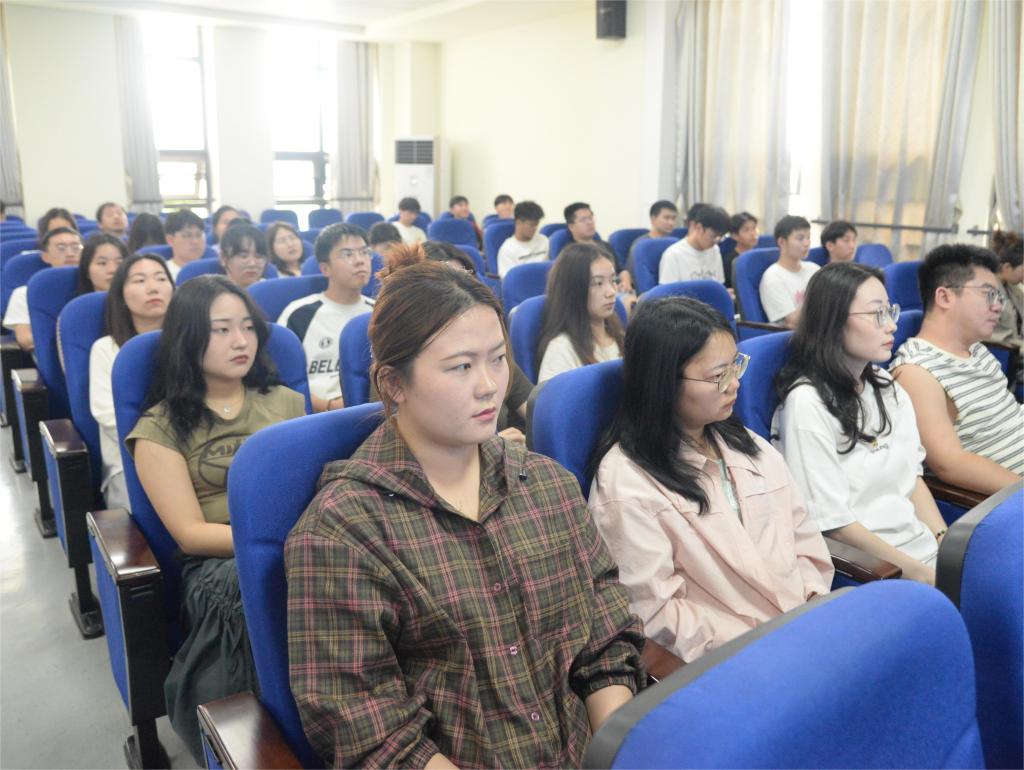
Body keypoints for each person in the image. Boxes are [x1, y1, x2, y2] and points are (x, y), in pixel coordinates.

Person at [285, 259, 645, 769]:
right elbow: (366, 724)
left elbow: (604, 637)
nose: (489, 386)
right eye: (461, 367)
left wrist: (613, 754)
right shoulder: (344, 530)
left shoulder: (546, 484)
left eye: (498, 359)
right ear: (393, 383)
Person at [589, 297, 833, 663]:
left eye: (736, 365)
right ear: (662, 382)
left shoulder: (745, 443)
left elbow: (804, 541)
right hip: (733, 662)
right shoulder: (626, 484)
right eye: (719, 376)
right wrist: (764, 645)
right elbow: (656, 614)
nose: (735, 384)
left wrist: (810, 609)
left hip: (805, 631)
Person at [127, 275, 305, 762]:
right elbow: (190, 534)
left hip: (301, 544)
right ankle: (268, 746)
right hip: (216, 567)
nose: (241, 341)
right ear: (189, 339)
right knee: (265, 587)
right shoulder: (160, 428)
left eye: (247, 327)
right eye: (222, 330)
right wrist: (278, 547)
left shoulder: (287, 403)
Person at [774, 263, 947, 584]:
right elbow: (835, 525)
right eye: (876, 314)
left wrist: (945, 543)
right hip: (876, 569)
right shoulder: (807, 403)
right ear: (834, 321)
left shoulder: (886, 384)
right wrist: (923, 575)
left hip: (922, 554)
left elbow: (913, 480)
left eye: (890, 311)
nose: (892, 325)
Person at [891, 244, 1023, 495]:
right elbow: (950, 465)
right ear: (944, 297)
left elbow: (1006, 418)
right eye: (988, 294)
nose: (998, 306)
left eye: (999, 297)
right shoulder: (917, 372)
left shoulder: (976, 349)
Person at [408, 240, 533, 439]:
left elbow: (536, 411)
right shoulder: (402, 358)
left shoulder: (488, 348)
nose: (489, 387)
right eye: (462, 366)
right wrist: (492, 446)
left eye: (466, 283)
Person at [89, 254, 174, 510]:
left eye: (161, 278)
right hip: (130, 461)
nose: (153, 287)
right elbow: (108, 416)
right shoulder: (106, 349)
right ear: (122, 296)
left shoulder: (192, 342)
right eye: (139, 280)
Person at [278, 223, 374, 413]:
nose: (359, 261)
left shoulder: (380, 311)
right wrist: (327, 406)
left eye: (364, 252)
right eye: (347, 254)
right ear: (325, 268)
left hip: (370, 413)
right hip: (313, 416)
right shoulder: (299, 314)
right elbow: (280, 382)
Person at [537, 243, 624, 382]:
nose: (611, 292)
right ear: (574, 290)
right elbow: (554, 397)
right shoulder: (561, 350)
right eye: (598, 283)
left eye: (613, 280)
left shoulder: (620, 336)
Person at [4, 226, 83, 351]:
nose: (70, 253)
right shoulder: (25, 293)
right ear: (45, 256)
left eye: (75, 247)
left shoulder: (96, 288)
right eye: (61, 248)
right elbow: (25, 340)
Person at [759, 215, 818, 327]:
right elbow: (793, 321)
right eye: (800, 238)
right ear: (782, 242)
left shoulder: (814, 268)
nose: (807, 243)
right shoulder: (773, 277)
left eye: (808, 237)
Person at [658, 204, 730, 285]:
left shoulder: (715, 250)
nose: (717, 241)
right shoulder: (673, 255)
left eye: (721, 237)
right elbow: (667, 291)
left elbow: (718, 284)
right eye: (713, 236)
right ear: (699, 227)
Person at [625, 200, 678, 281]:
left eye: (673, 218)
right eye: (666, 218)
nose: (671, 222)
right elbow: (631, 274)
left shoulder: (675, 243)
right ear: (653, 219)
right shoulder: (641, 244)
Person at [496, 200, 548, 277]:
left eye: (537, 224)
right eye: (532, 224)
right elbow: (508, 280)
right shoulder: (507, 249)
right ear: (518, 222)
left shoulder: (544, 240)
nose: (535, 228)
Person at [990, 232, 1022, 348]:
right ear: (1007, 267)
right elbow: (995, 336)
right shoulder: (987, 292)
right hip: (1001, 352)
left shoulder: (1013, 289)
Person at [218, 223, 268, 289]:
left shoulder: (271, 289)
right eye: (243, 256)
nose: (252, 264)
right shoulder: (214, 293)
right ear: (223, 258)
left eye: (258, 256)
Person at [163, 209, 207, 281]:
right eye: (187, 235)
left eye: (199, 235)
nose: (195, 241)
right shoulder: (163, 273)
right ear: (170, 240)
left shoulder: (213, 269)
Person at [720, 212, 759, 289]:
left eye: (754, 228)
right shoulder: (730, 261)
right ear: (734, 236)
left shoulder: (760, 256)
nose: (753, 233)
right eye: (746, 230)